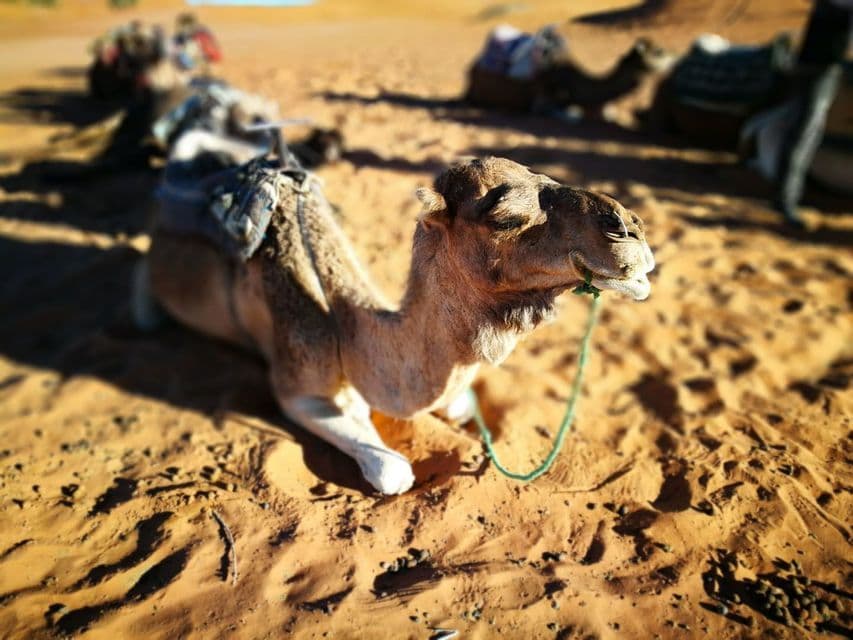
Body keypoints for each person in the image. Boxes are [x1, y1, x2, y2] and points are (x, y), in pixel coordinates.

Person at [774, 0, 852, 226]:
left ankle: (786, 195)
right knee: (806, 131)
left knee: (802, 130)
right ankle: (786, 199)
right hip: (821, 69)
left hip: (816, 66)